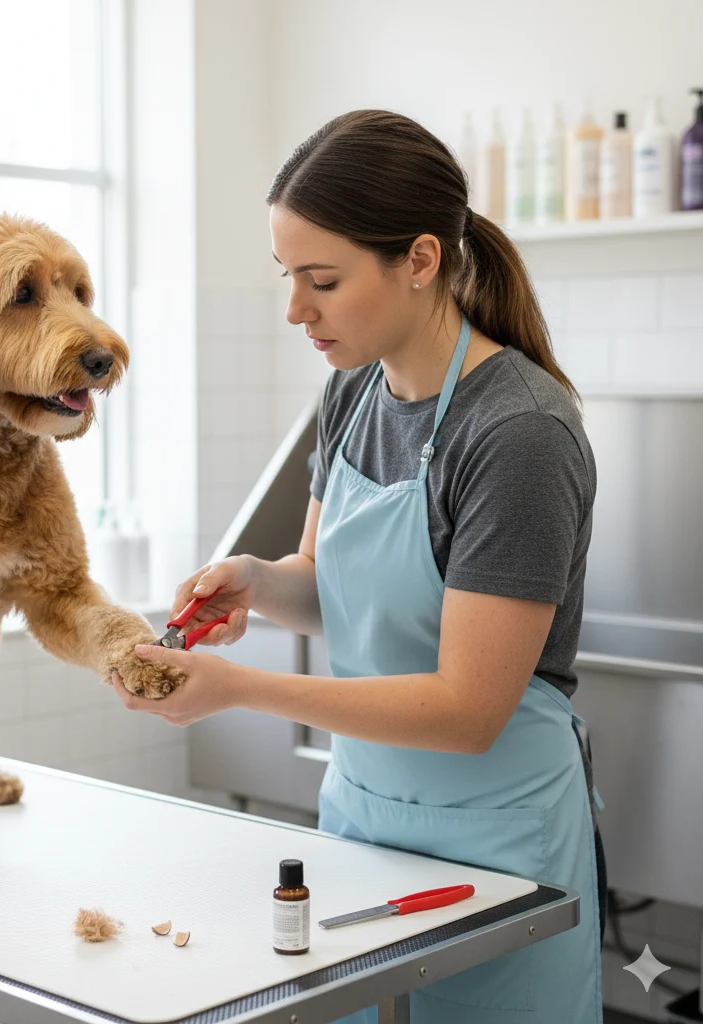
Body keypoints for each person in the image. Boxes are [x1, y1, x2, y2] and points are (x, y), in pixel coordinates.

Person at [112, 109, 603, 1023]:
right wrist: (258, 581)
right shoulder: (352, 392)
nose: (297, 309)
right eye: (287, 277)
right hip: (367, 819)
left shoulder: (517, 434)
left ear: (420, 260)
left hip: (499, 843)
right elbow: (326, 586)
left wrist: (240, 688)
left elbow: (467, 709)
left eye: (323, 280)